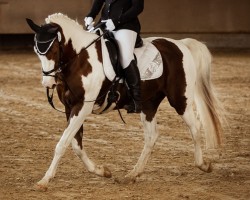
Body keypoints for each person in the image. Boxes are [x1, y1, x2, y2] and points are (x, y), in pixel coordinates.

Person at [85, 0, 144, 113]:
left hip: (125, 26)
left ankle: (136, 99)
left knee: (125, 57)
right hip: (104, 24)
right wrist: (91, 16)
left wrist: (117, 21)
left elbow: (138, 8)